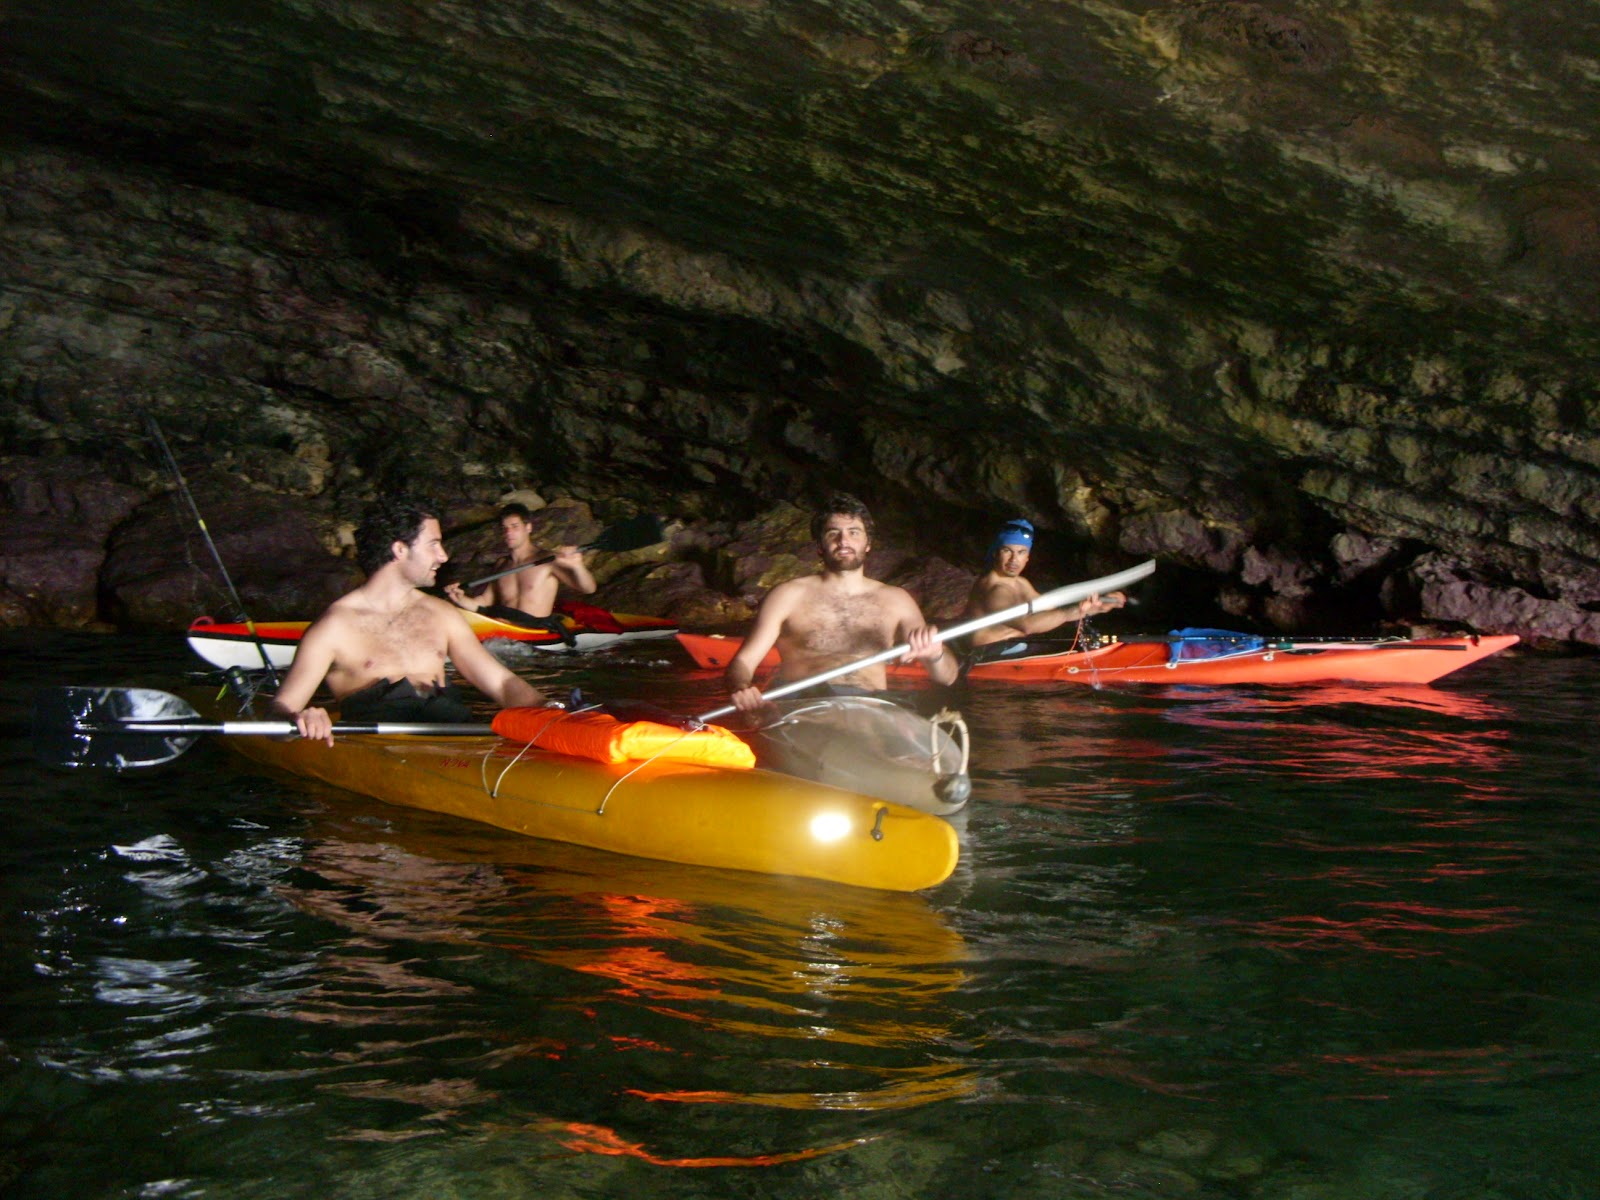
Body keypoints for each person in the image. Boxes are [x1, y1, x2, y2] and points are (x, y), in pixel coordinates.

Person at [271, 497, 545, 745]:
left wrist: (548, 711)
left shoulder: (442, 614)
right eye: (434, 544)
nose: (444, 556)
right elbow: (278, 713)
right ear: (400, 550)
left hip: (455, 737)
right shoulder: (334, 627)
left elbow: (501, 684)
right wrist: (302, 719)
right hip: (382, 749)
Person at [724, 493, 959, 713]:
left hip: (872, 706)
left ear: (868, 544)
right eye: (832, 533)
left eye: (854, 532)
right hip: (803, 706)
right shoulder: (787, 596)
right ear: (819, 546)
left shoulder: (897, 600)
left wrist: (934, 654)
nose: (844, 540)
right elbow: (743, 662)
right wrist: (741, 687)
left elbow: (947, 677)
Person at [961, 518, 1125, 653]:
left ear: (1028, 557)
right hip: (988, 654)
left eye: (1021, 552)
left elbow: (1049, 609)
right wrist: (1070, 613)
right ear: (996, 553)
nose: (1014, 560)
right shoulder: (994, 589)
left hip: (1013, 646)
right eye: (1007, 551)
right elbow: (1027, 625)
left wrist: (1097, 607)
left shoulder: (1020, 582)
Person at [443, 503, 597, 629]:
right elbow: (483, 602)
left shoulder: (547, 560)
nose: (509, 532)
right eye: (505, 528)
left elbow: (588, 589)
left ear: (528, 527)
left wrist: (577, 566)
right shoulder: (502, 564)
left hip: (533, 629)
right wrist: (460, 599)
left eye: (515, 526)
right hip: (505, 626)